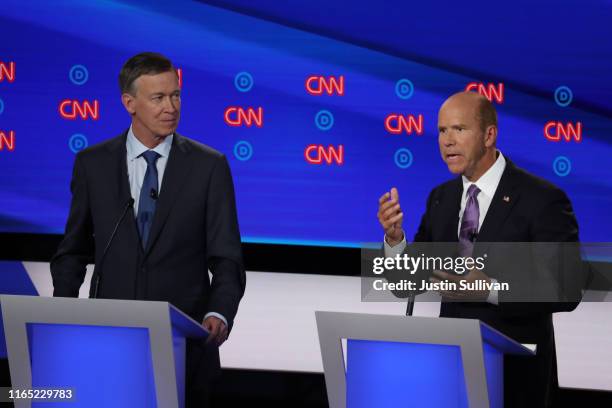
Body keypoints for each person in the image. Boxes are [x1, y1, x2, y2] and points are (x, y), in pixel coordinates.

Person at [51, 52, 245, 407]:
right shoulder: (92, 164)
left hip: (185, 349)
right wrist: (62, 316)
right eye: (158, 98)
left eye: (176, 95)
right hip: (110, 344)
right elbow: (73, 250)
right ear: (129, 103)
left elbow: (227, 257)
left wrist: (219, 312)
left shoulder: (209, 167)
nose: (171, 106)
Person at [377, 91, 580, 407]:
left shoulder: (541, 199)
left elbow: (566, 288)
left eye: (459, 129)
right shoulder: (441, 198)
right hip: (451, 375)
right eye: (442, 131)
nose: (447, 141)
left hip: (515, 380)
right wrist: (394, 240)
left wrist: (490, 290)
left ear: (489, 135)